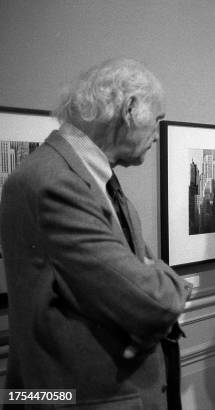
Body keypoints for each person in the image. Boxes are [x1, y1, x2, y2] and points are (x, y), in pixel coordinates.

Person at [0, 58, 192, 409]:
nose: (157, 133)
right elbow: (152, 300)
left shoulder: (91, 177)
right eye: (157, 119)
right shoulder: (55, 182)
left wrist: (149, 287)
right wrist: (171, 287)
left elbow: (138, 279)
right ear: (129, 110)